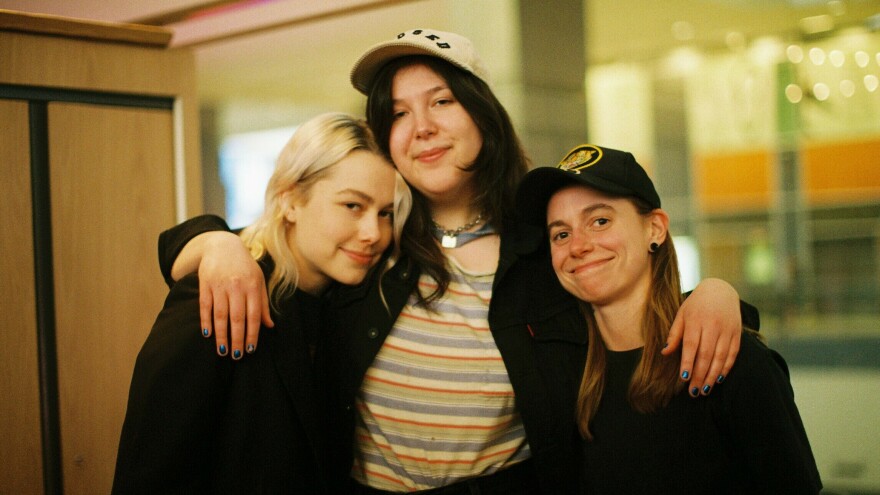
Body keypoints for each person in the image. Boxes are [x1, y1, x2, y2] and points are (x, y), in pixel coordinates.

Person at [156, 30, 759, 494]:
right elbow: (274, 244)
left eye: (441, 101)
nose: (421, 128)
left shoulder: (542, 247)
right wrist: (216, 243)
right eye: (397, 112)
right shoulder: (373, 244)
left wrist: (717, 294)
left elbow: (622, 295)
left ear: (481, 112)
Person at [111, 112, 411, 494]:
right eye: (353, 206)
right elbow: (151, 474)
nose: (374, 233)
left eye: (385, 213)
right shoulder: (221, 291)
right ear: (290, 201)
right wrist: (215, 242)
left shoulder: (346, 303)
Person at [516, 143, 822, 493]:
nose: (578, 245)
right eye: (561, 234)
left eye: (600, 221)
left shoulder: (730, 360)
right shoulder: (567, 375)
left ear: (655, 229)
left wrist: (720, 291)